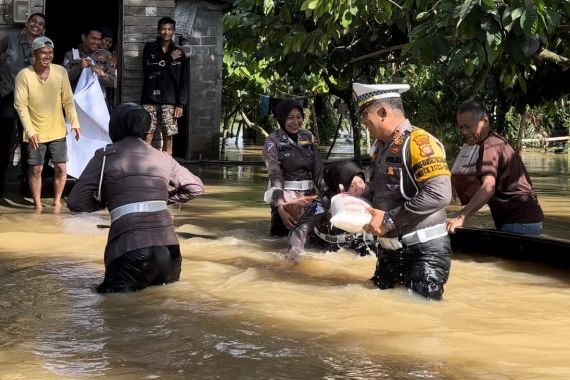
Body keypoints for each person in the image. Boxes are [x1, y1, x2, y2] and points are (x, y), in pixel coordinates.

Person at [66, 103, 204, 293]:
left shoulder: (106, 155)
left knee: (116, 313)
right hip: (170, 252)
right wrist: (163, 199)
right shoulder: (163, 157)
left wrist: (110, 202)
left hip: (130, 251)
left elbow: (75, 202)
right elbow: (195, 187)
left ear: (114, 127)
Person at [354, 82, 452, 300]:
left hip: (423, 251)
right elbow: (387, 192)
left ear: (382, 112)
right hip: (390, 251)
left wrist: (388, 220)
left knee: (423, 316)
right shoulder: (381, 147)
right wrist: (358, 197)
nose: (363, 121)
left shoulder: (419, 142)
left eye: (364, 114)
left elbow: (440, 194)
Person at [447, 100, 544, 235]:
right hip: (528, 219)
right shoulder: (496, 140)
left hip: (518, 222)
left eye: (468, 127)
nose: (464, 132)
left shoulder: (489, 146)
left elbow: (488, 187)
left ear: (484, 120)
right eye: (461, 127)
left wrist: (461, 216)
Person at [14, 37, 80, 211]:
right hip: (34, 131)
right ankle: (37, 204)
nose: (47, 56)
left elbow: (68, 100)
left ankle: (57, 201)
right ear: (34, 54)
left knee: (61, 167)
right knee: (36, 169)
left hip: (57, 129)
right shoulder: (24, 75)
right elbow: (20, 105)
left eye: (50, 52)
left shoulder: (60, 72)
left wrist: (75, 122)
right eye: (43, 52)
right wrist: (30, 131)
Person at [262, 98, 333, 260]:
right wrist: (280, 208)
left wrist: (328, 195)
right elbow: (275, 175)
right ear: (281, 118)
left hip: (308, 198)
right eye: (290, 118)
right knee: (278, 245)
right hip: (285, 201)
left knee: (310, 243)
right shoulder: (272, 141)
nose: (296, 122)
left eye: (299, 117)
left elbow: (318, 171)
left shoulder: (307, 137)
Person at [0, 12, 46, 196]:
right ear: (26, 23)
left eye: (41, 24)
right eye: (33, 21)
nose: (36, 25)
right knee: (2, 141)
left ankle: (28, 186)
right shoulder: (10, 39)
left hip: (31, 101)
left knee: (29, 143)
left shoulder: (44, 45)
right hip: (7, 96)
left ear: (43, 29)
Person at [141, 16, 189, 156]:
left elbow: (184, 80)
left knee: (169, 134)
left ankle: (167, 166)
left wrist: (181, 103)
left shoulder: (179, 53)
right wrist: (168, 58)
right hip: (149, 98)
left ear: (174, 31)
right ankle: (143, 164)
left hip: (170, 99)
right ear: (158, 30)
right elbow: (148, 70)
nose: (166, 32)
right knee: (147, 133)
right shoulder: (149, 49)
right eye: (163, 29)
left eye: (169, 29)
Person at [312, 159, 374, 256]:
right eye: (352, 185)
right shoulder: (325, 202)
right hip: (330, 248)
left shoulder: (372, 195)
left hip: (364, 244)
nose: (359, 188)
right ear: (340, 186)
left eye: (361, 182)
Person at [62, 26, 116, 99]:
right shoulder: (70, 55)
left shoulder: (106, 55)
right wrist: (78, 67)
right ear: (84, 38)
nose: (97, 42)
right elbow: (63, 81)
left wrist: (102, 75)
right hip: (76, 101)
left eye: (99, 39)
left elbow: (113, 82)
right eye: (93, 38)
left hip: (98, 102)